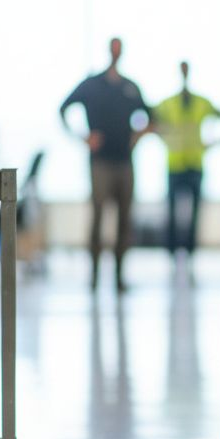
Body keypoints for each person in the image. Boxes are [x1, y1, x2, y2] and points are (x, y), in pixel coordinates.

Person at [60, 37, 150, 292]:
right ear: (108, 51)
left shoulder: (130, 87)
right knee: (98, 216)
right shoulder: (91, 85)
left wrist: (137, 137)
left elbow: (150, 117)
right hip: (100, 163)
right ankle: (95, 275)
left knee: (125, 219)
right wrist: (83, 137)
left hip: (124, 162)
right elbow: (63, 108)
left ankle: (120, 276)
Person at [150, 61, 220, 261]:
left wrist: (212, 142)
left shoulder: (201, 102)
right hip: (175, 165)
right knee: (171, 212)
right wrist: (163, 138)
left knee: (195, 212)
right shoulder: (168, 103)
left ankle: (190, 252)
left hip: (195, 164)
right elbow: (151, 120)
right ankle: (172, 251)